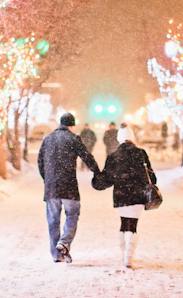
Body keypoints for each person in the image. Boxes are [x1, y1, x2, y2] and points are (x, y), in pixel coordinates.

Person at [38, 112, 100, 263]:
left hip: (51, 187)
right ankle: (64, 242)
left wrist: (47, 179)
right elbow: (87, 156)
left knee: (53, 220)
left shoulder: (48, 138)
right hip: (69, 186)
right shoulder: (73, 138)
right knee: (72, 215)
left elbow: (40, 162)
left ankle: (56, 254)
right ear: (71, 125)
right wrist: (97, 173)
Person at [97, 126, 156, 268]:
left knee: (123, 223)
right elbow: (151, 177)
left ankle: (124, 251)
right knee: (133, 225)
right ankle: (129, 256)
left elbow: (107, 179)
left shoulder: (114, 155)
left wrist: (97, 179)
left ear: (119, 138)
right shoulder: (141, 154)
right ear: (132, 137)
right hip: (138, 196)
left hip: (120, 196)